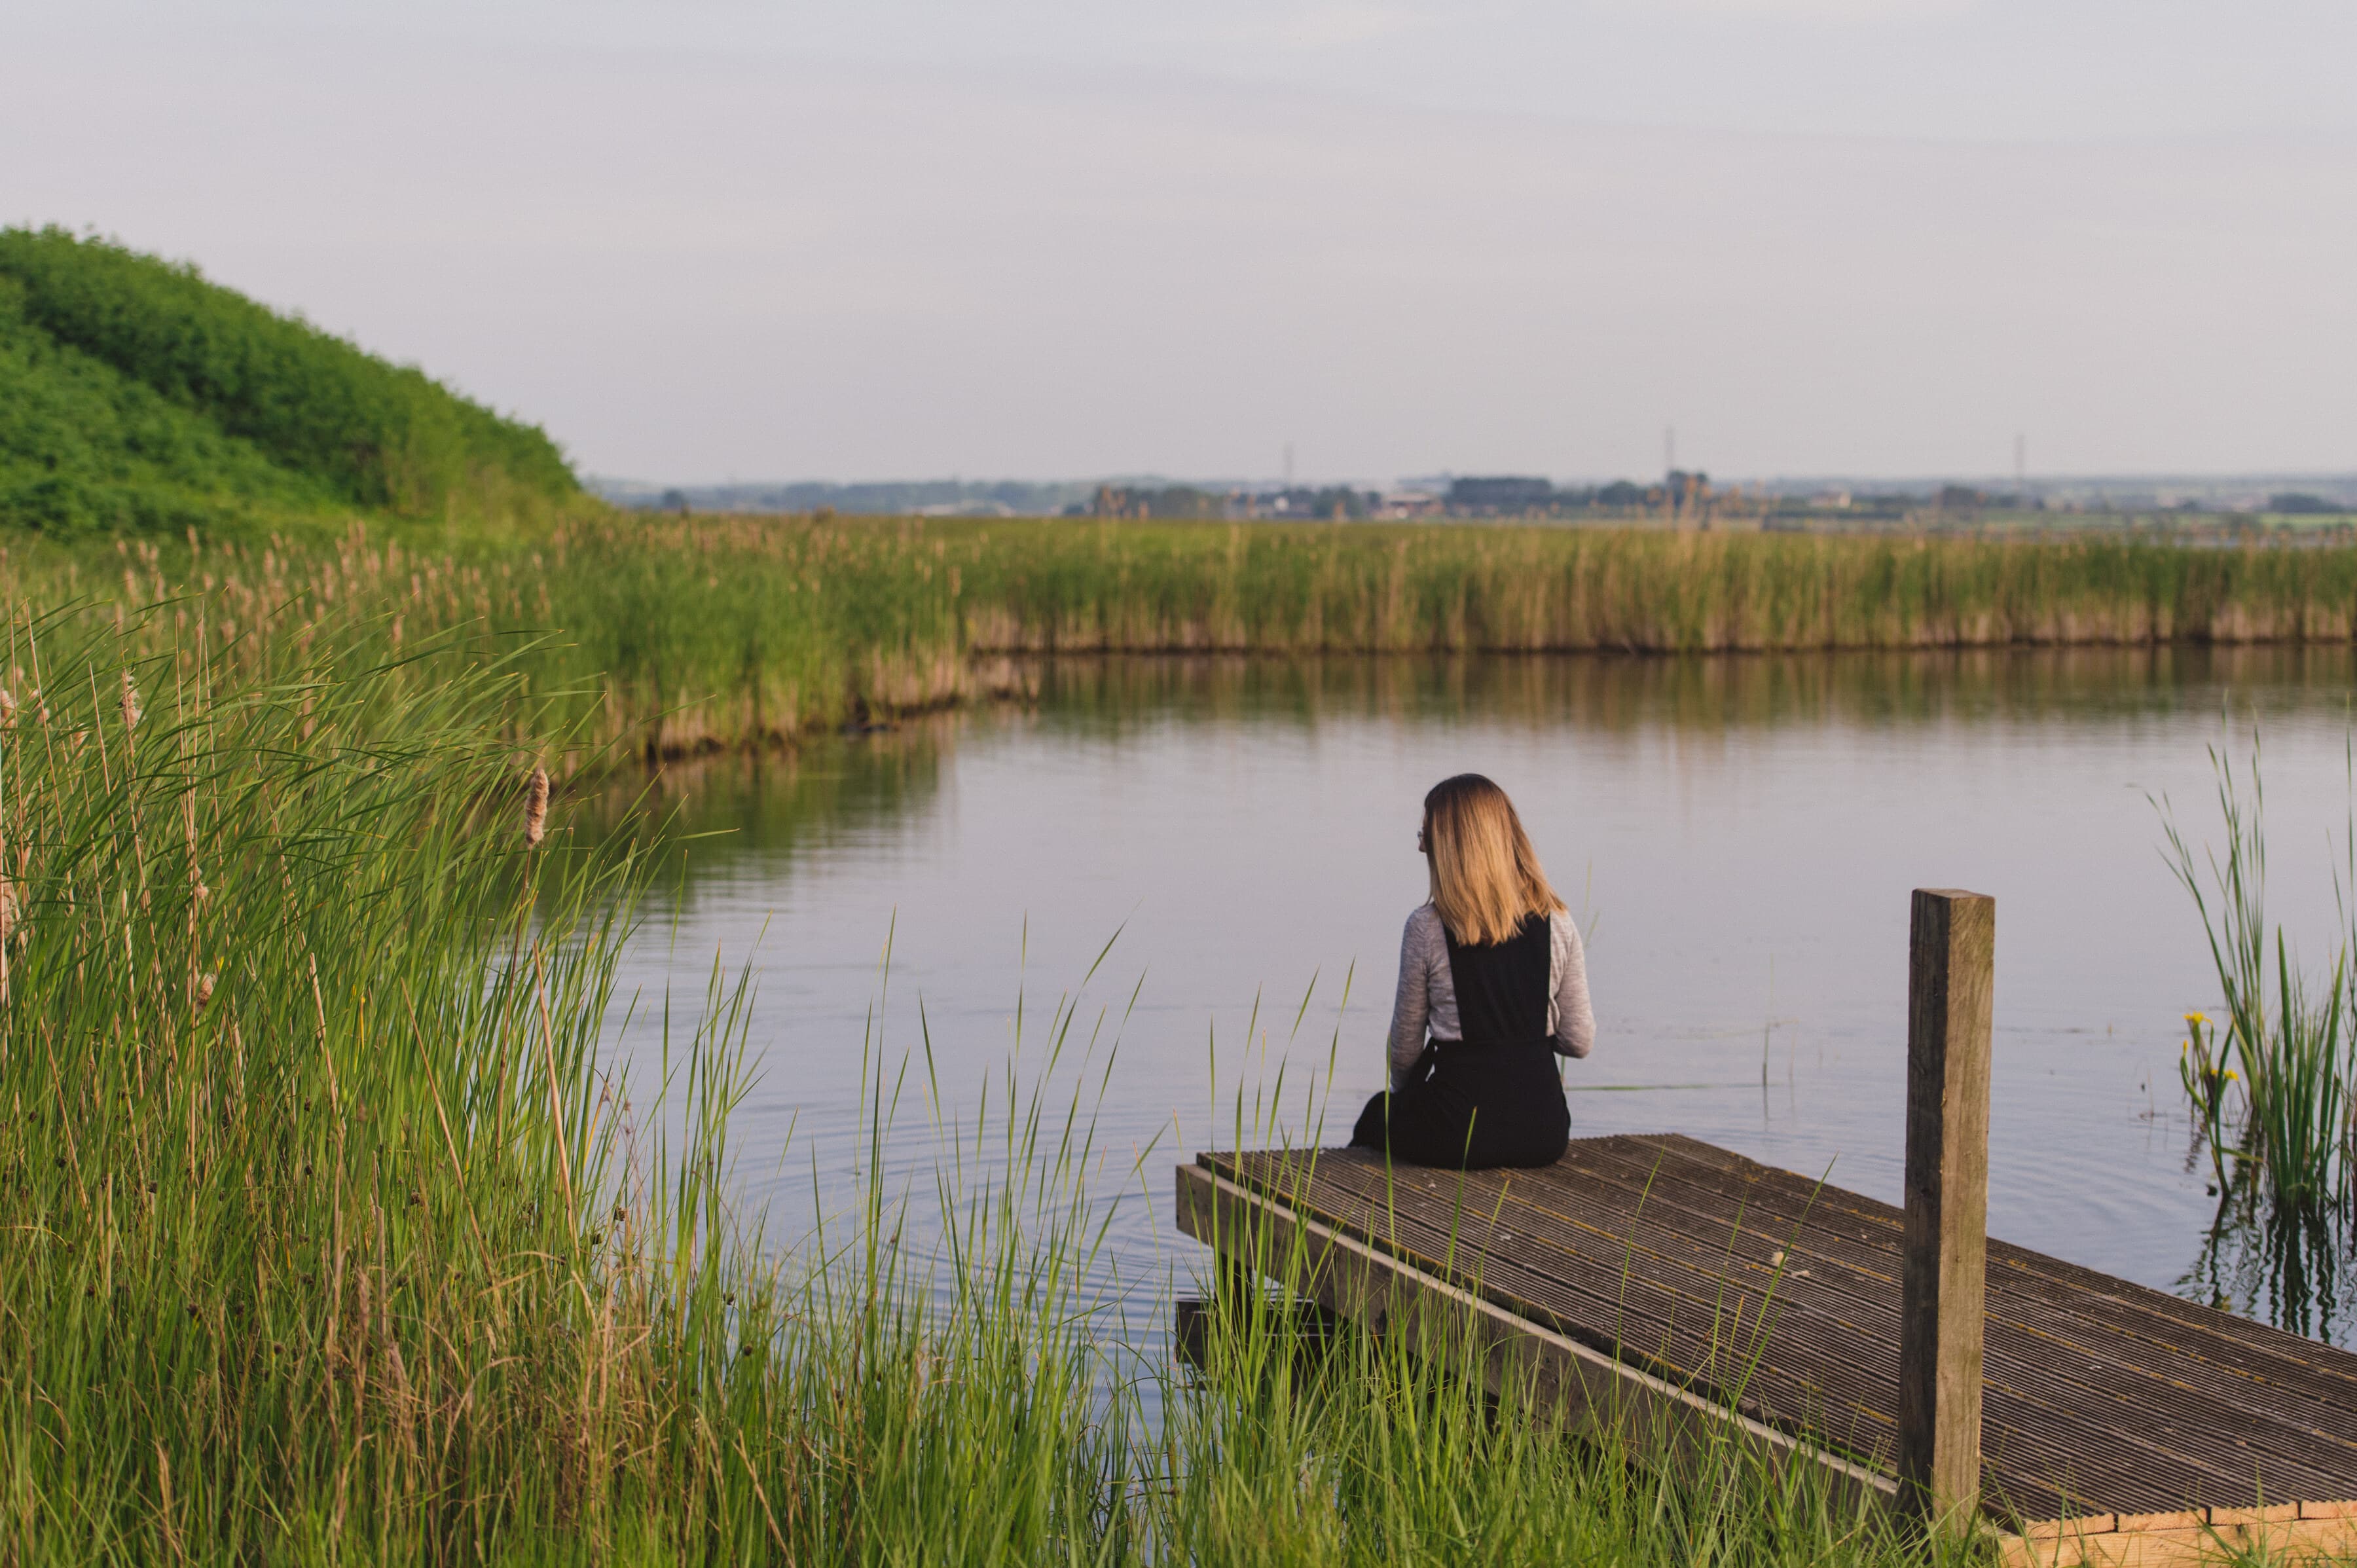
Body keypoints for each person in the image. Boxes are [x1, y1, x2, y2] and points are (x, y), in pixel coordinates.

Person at [1349, 773, 1592, 1169]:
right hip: (1545, 1133)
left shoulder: (1426, 928)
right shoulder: (1558, 921)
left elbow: (1405, 1051)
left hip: (1457, 1131)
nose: (1419, 846)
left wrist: (1405, 1099)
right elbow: (1578, 1041)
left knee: (1379, 1114)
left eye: (1425, 835)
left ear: (1450, 846)